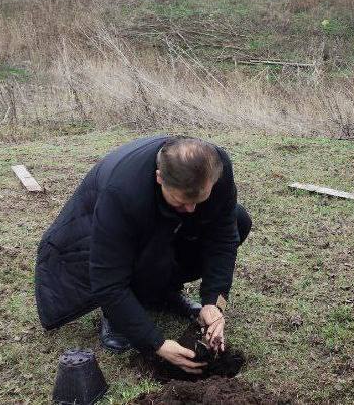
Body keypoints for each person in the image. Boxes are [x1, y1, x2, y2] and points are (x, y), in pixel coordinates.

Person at [34, 135, 250, 374]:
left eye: (199, 200)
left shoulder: (216, 167)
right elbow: (107, 283)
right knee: (149, 254)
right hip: (102, 236)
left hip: (155, 218)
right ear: (160, 178)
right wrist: (155, 342)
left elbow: (222, 239)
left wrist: (214, 302)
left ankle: (162, 294)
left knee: (238, 220)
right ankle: (117, 316)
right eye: (181, 201)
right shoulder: (122, 194)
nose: (191, 210)